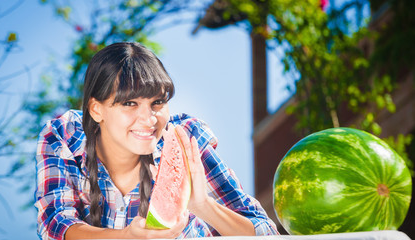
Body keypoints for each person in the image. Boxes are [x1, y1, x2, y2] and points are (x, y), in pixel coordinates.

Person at [34, 42, 279, 239]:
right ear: (96, 110)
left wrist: (204, 205)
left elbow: (266, 233)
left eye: (157, 103)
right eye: (129, 103)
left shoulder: (185, 139)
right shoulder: (64, 136)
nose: (148, 119)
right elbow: (56, 224)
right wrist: (126, 237)